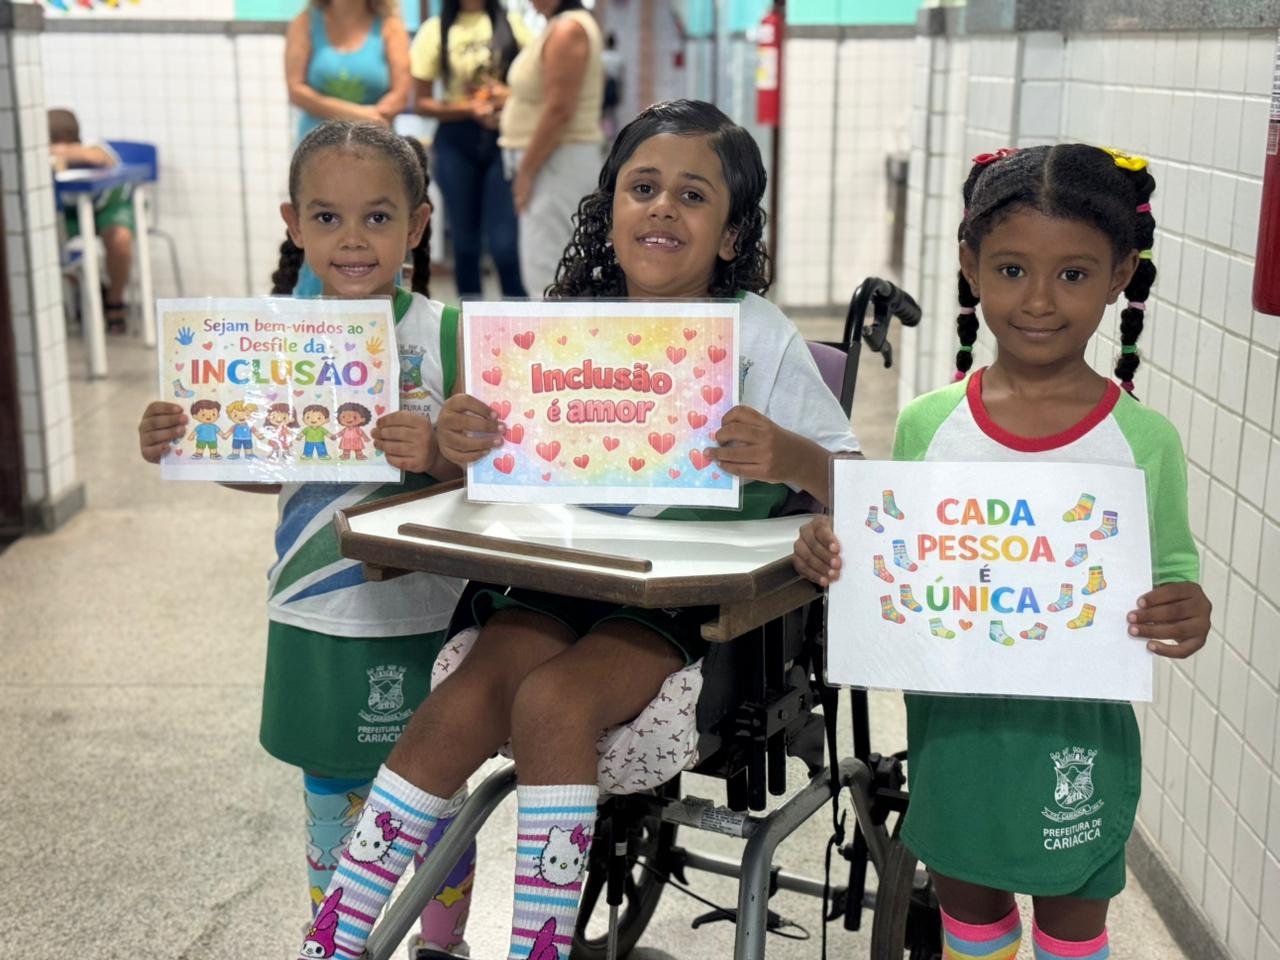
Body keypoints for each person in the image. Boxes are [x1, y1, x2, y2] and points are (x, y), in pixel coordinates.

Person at [293, 99, 860, 960]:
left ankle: (540, 948)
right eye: (643, 187)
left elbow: (854, 483)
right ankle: (332, 938)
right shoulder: (557, 330)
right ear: (610, 208)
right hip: (555, 570)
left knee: (554, 701)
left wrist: (789, 452)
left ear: (733, 235)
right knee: (460, 704)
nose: (663, 207)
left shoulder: (759, 337)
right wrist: (463, 441)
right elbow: (480, 467)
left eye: (693, 196)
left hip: (678, 599)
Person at [793, 144, 1213, 960]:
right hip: (955, 742)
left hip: (1074, 746)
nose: (1040, 301)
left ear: (1122, 274)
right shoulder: (926, 424)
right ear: (970, 265)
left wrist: (1184, 612)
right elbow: (897, 564)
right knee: (973, 928)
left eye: (1076, 275)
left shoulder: (1142, 441)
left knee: (1070, 935)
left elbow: (1173, 584)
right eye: (1013, 269)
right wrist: (834, 553)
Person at [137, 121, 478, 960]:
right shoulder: (268, 339)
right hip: (310, 607)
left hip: (426, 610)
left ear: (419, 222)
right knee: (327, 788)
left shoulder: (446, 336)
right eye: (327, 219)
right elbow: (268, 468)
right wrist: (190, 442)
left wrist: (436, 456)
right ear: (294, 223)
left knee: (437, 787)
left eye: (378, 218)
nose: (353, 240)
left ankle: (444, 942)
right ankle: (338, 934)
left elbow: (495, 480)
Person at [285, 0, 411, 298]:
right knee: (324, 237)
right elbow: (296, 89)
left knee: (375, 235)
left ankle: (384, 323)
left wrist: (369, 119)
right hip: (316, 154)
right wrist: (359, 115)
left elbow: (400, 93)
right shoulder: (305, 23)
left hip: (375, 157)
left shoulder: (390, 26)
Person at [410, 0, 529, 297]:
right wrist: (468, 109)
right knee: (465, 243)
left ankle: (521, 323)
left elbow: (534, 86)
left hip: (504, 138)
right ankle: (470, 323)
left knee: (505, 244)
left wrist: (503, 98)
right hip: (455, 140)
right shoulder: (434, 30)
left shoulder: (513, 24)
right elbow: (421, 103)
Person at [499, 0, 604, 297]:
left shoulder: (568, 29)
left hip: (556, 163)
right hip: (552, 160)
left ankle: (551, 339)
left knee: (548, 268)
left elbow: (560, 109)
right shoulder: (559, 26)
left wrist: (527, 172)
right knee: (548, 263)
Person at [48, 108, 135, 334]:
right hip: (70, 215)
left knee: (120, 240)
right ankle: (94, 291)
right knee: (49, 249)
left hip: (108, 208)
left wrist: (62, 153)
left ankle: (115, 301)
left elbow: (97, 157)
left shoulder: (93, 146)